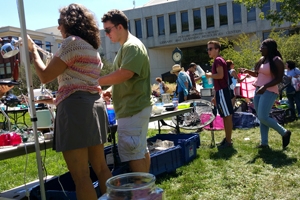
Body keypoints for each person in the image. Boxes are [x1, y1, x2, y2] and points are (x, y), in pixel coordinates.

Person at [27, 4, 112, 199]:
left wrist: (33, 52)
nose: (58, 27)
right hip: (95, 106)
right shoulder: (91, 48)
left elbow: (45, 76)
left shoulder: (71, 43)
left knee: (81, 176)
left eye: (60, 23)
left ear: (69, 22)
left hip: (75, 108)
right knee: (101, 167)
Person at [99, 9, 152, 173]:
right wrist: (110, 89)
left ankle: (141, 194)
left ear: (119, 26)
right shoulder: (126, 47)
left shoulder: (132, 46)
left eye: (108, 30)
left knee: (133, 154)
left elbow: (125, 73)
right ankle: (146, 191)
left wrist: (96, 81)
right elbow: (126, 77)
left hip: (132, 109)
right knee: (140, 150)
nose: (107, 34)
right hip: (133, 108)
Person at [239, 38, 291, 149]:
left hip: (269, 90)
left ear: (269, 48)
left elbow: (279, 78)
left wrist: (265, 86)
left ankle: (284, 132)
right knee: (262, 117)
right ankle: (264, 143)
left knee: (263, 116)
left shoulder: (277, 61)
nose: (260, 49)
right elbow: (258, 74)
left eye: (263, 46)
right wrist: (248, 71)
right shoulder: (262, 59)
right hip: (258, 89)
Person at [205, 41, 234, 149]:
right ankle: (227, 139)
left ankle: (228, 141)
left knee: (227, 116)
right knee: (225, 116)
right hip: (221, 91)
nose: (208, 51)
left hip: (222, 91)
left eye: (210, 48)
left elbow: (220, 75)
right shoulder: (219, 60)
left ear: (217, 49)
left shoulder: (218, 60)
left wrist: (209, 75)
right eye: (208, 49)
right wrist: (216, 95)